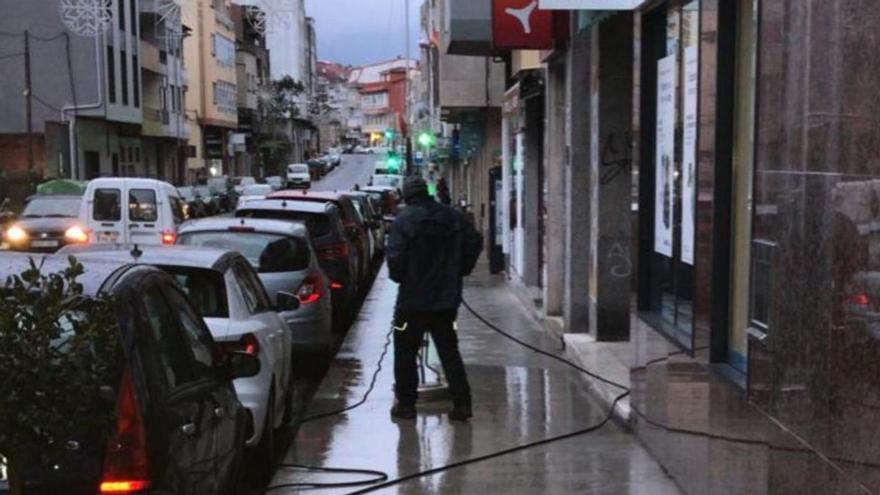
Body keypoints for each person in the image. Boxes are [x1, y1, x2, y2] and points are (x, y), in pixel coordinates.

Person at [387, 176, 483, 421]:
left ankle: (406, 405)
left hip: (411, 303)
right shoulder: (453, 217)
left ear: (408, 197)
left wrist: (402, 275)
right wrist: (460, 270)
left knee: (405, 351)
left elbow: (395, 261)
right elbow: (475, 241)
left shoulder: (404, 221)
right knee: (449, 350)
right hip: (446, 302)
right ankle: (462, 403)